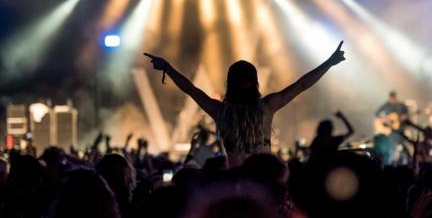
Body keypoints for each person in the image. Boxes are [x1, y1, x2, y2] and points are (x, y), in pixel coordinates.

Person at [145, 41, 346, 167]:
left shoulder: (220, 111)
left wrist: (168, 68)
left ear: (229, 83)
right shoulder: (267, 106)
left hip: (236, 183)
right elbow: (301, 85)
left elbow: (190, 89)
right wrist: (329, 62)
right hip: (267, 181)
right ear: (255, 81)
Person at [374, 91, 410, 166]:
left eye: (394, 98)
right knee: (391, 149)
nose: (392, 99)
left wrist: (405, 117)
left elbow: (407, 115)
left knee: (404, 147)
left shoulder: (401, 105)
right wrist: (385, 118)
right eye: (391, 98)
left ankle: (406, 164)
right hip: (391, 131)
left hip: (401, 130)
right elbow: (376, 113)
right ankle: (391, 165)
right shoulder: (386, 105)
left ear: (396, 97)